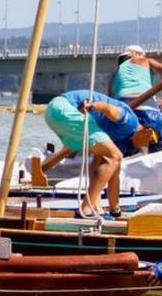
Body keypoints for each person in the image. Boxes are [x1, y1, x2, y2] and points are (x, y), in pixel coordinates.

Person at [40, 90, 162, 218]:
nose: (146, 146)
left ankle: (101, 207)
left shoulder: (123, 142)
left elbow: (110, 171)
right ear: (148, 131)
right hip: (65, 107)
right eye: (151, 142)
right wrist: (92, 106)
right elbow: (108, 109)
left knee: (113, 160)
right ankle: (86, 209)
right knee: (115, 156)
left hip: (54, 113)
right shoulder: (130, 123)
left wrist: (116, 212)